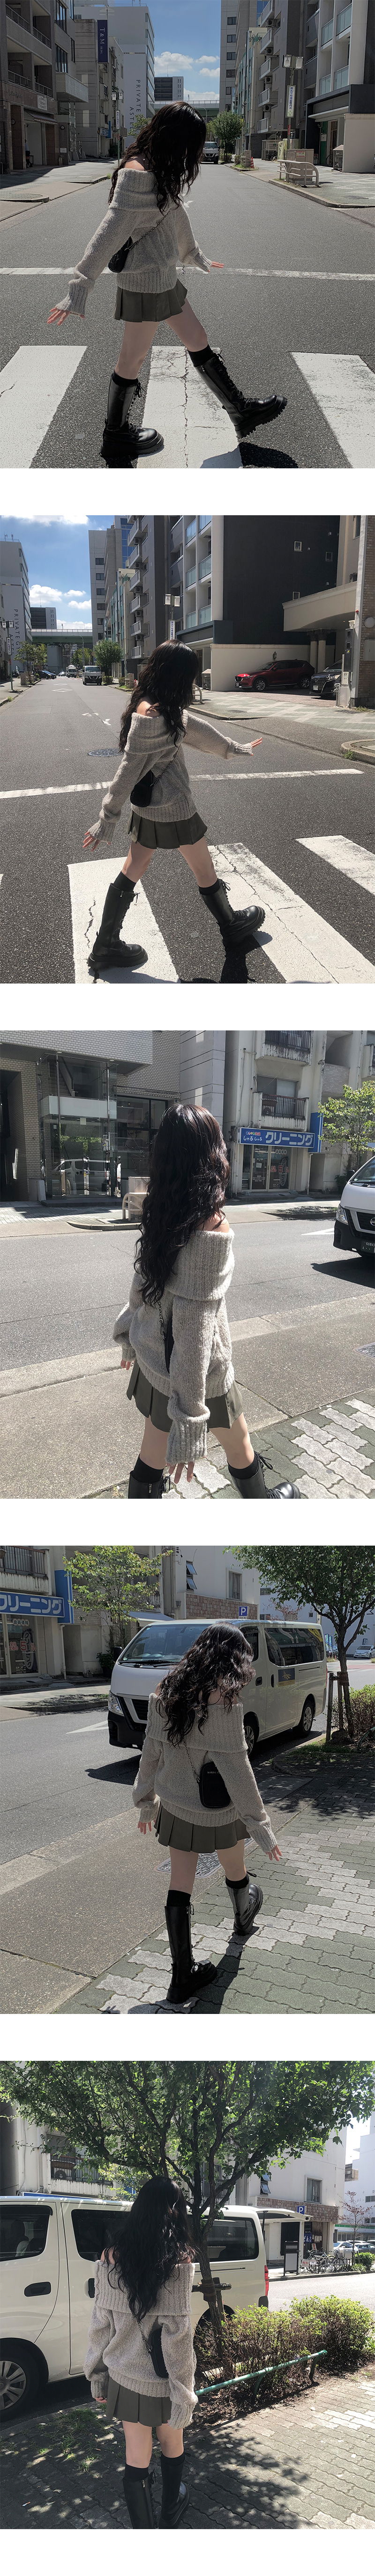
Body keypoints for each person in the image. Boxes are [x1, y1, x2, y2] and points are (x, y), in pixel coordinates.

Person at [46, 103, 286, 465]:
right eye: (193, 145)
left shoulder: (158, 166)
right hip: (145, 282)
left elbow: (176, 215)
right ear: (177, 140)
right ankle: (116, 436)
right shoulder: (137, 174)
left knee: (197, 338)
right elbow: (107, 235)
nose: (195, 155)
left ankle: (240, 410)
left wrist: (195, 255)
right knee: (133, 358)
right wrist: (79, 286)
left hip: (163, 278)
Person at [114, 1102, 299, 1500]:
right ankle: (264, 1505)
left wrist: (129, 1329)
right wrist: (190, 1416)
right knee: (239, 1445)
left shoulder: (161, 1206)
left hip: (155, 1356)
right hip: (197, 1375)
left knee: (151, 1455)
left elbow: (144, 1277)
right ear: (210, 1155)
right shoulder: (212, 1224)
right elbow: (195, 1327)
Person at [82, 641, 265, 980]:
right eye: (191, 677)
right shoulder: (153, 718)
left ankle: (106, 943)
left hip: (148, 809)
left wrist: (232, 748)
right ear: (180, 677)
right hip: (176, 810)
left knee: (135, 866)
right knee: (204, 869)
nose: (193, 685)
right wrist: (107, 818)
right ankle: (231, 925)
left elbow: (192, 729)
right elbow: (127, 771)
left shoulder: (154, 706)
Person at [133, 1624, 282, 2006]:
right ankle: (244, 1920)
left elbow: (150, 1753)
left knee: (180, 1883)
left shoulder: (165, 1692)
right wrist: (261, 1827)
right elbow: (239, 1771)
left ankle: (181, 1978)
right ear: (234, 1660)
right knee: (236, 1870)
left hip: (176, 1809)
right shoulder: (226, 1702)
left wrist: (146, 1802)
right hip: (220, 1811)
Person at [84, 2180, 195, 2528]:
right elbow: (178, 2341)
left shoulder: (110, 2258)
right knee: (172, 2442)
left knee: (136, 2455)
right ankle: (171, 2510)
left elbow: (100, 2326)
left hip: (124, 2377)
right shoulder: (179, 2262)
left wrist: (97, 2375)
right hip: (164, 2382)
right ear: (175, 2211)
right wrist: (183, 2395)